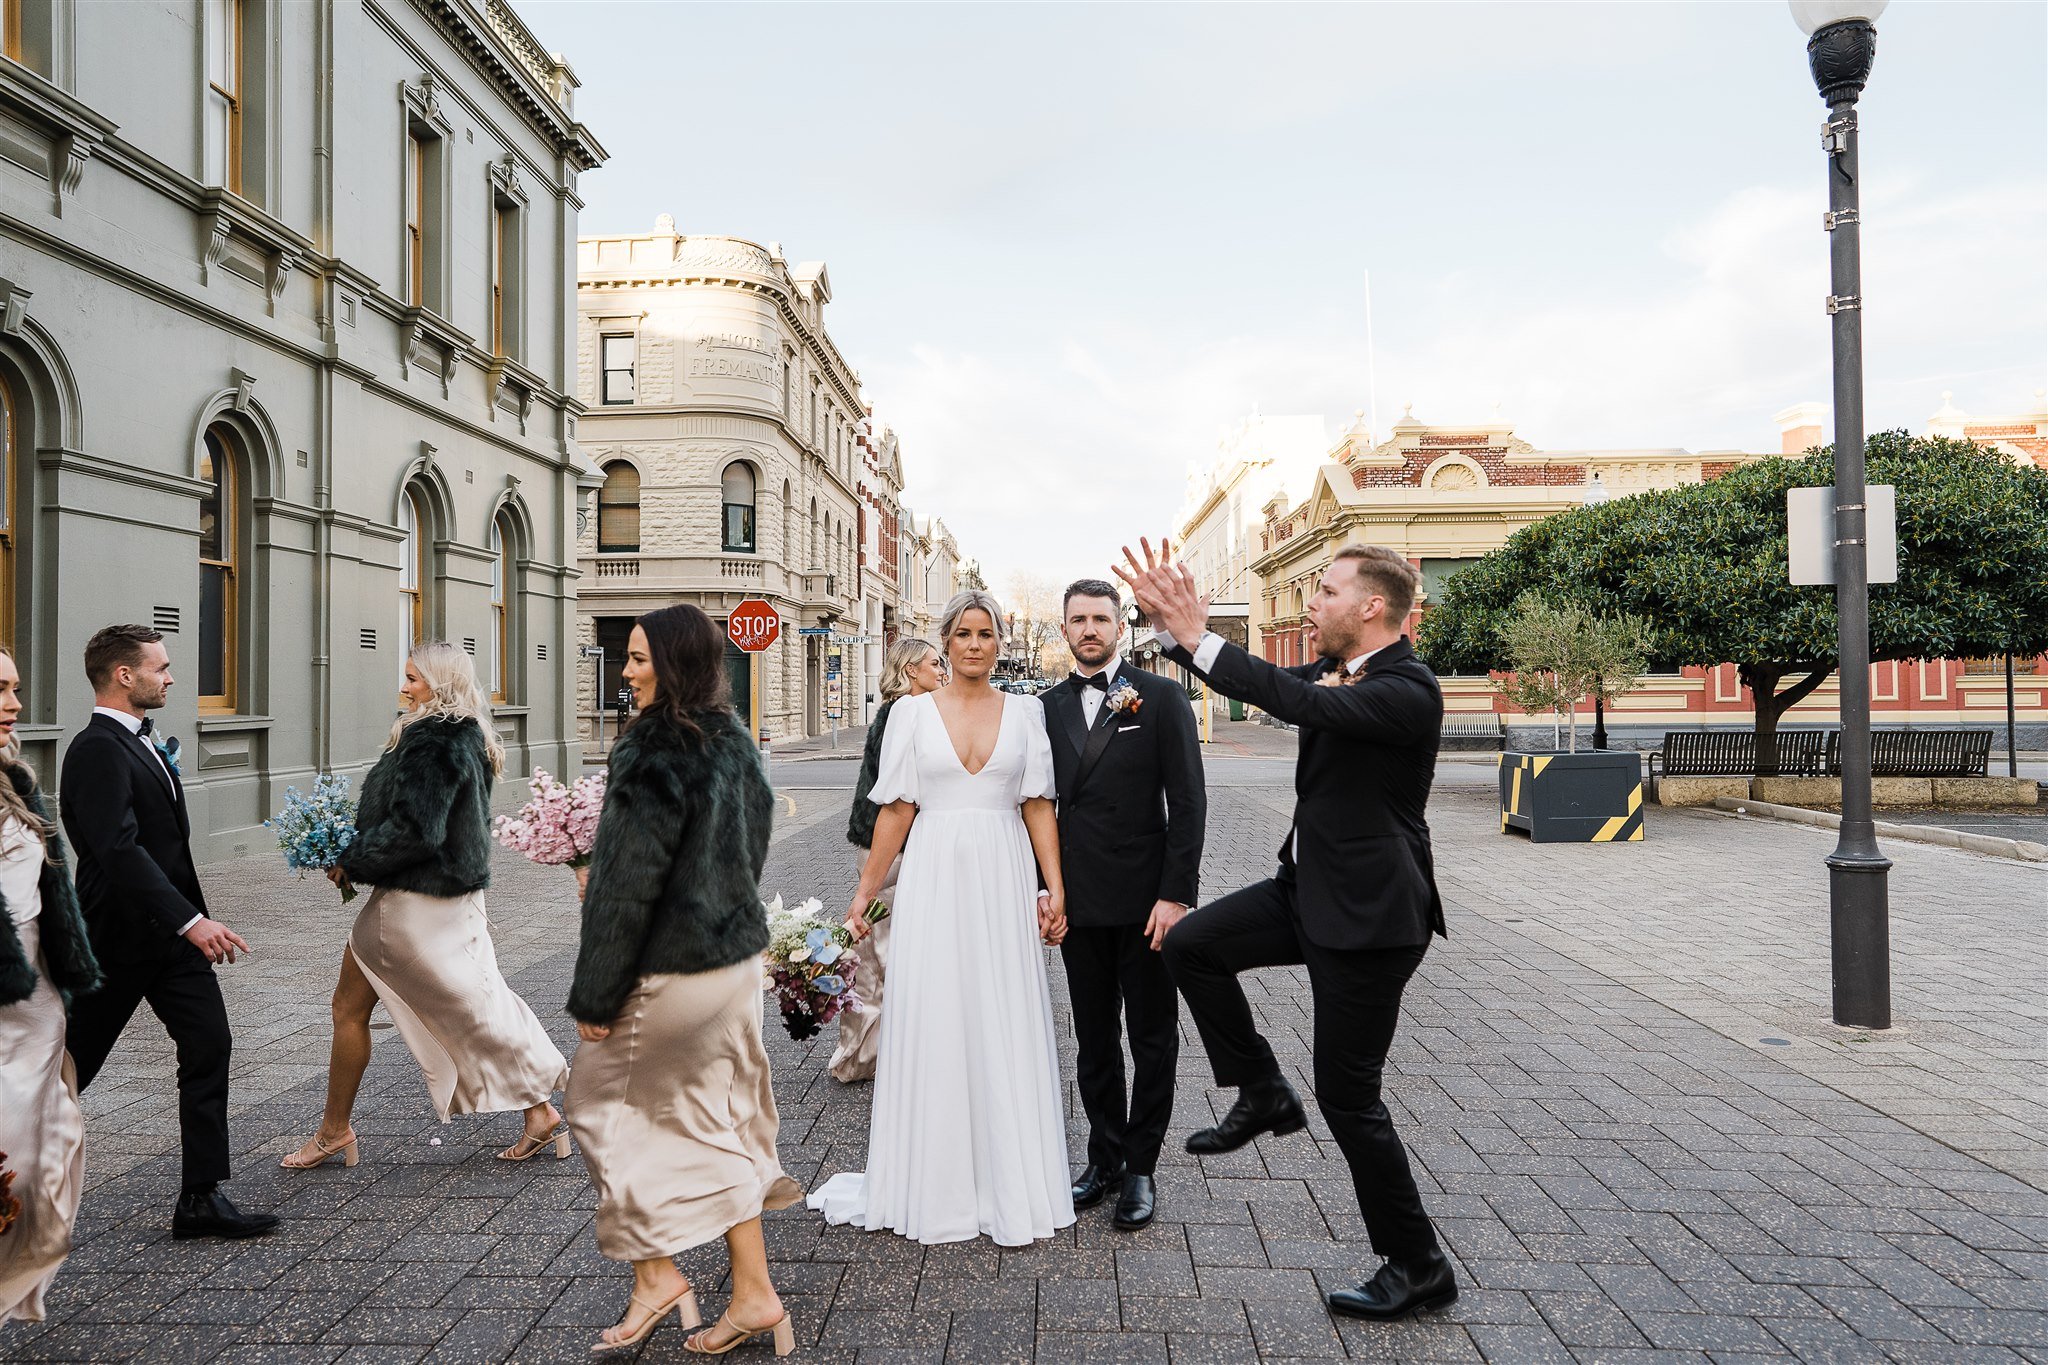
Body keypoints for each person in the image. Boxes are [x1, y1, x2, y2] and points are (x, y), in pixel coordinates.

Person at [1116, 541, 1455, 1321]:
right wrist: (1173, 632)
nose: (1311, 602)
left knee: (1349, 1096)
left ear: (1372, 606)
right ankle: (1262, 1088)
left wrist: (1198, 629)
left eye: (1326, 590)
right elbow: (1272, 686)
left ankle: (1418, 1263)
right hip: (1307, 892)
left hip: (1371, 921)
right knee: (1193, 944)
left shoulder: (1408, 690)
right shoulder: (1346, 671)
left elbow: (1294, 700)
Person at [566, 604, 802, 1356]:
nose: (627, 670)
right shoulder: (735, 741)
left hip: (672, 967)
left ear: (672, 664)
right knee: (716, 1119)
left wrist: (596, 995)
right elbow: (749, 848)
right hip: (734, 965)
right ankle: (755, 1294)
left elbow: (626, 885)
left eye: (639, 659)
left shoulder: (650, 745)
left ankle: (657, 1274)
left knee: (594, 1102)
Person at [809, 589, 1075, 1247]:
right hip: (930, 877)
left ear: (1000, 641)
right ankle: (934, 1181)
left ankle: (1007, 1181)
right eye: (964, 633)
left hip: (1002, 872)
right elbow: (895, 811)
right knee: (935, 1011)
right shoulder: (911, 715)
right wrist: (864, 897)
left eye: (987, 633)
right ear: (947, 642)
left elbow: (1038, 804)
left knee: (999, 1010)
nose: (976, 644)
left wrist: (1055, 889)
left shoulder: (1028, 712)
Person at [281, 642, 568, 1171]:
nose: (404, 686)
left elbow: (418, 830)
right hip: (449, 895)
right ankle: (538, 1111)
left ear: (439, 683)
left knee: (448, 1003)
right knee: (469, 997)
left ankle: (334, 1132)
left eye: (413, 678)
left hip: (415, 901)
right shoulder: (465, 735)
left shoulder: (431, 741)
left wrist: (352, 858)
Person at [60, 625, 277, 1239]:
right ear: (124, 675)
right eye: (161, 667)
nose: (172, 677)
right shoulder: (97, 749)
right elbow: (118, 850)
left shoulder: (141, 742)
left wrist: (185, 922)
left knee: (209, 1044)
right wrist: (192, 920)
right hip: (118, 941)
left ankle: (201, 1198)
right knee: (66, 1067)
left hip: (172, 938)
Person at [1039, 579, 1204, 1230]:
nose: (1089, 628)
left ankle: (1141, 1166)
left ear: (1118, 625)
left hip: (1146, 903)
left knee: (1152, 1036)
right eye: (1077, 618)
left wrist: (1176, 895)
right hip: (1079, 900)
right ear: (1063, 630)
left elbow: (1188, 803)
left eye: (1100, 618)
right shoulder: (1045, 707)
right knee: (1093, 1041)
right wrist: (1044, 889)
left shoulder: (1161, 697)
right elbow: (1037, 809)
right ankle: (1102, 1159)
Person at [0, 647, 100, 1322]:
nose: (14, 702)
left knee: (48, 1151)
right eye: (0, 689)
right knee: (19, 1161)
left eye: (14, 686)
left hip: (39, 1003)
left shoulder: (14, 776)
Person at [830, 637, 944, 1084]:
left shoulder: (909, 710)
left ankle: (880, 1049)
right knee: (886, 953)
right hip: (891, 848)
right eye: (935, 663)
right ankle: (878, 1054)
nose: (943, 670)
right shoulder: (906, 712)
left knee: (882, 950)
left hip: (889, 845)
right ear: (911, 670)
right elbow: (901, 798)